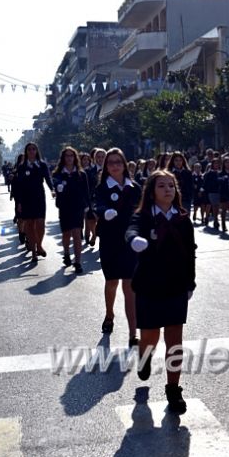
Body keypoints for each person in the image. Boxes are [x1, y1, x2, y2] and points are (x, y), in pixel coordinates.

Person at [126, 170, 196, 414]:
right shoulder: (143, 216)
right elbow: (131, 230)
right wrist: (135, 240)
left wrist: (191, 282)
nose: (168, 190)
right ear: (151, 192)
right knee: (150, 337)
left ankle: (173, 390)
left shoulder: (183, 219)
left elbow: (190, 252)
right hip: (149, 286)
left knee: (174, 340)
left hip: (176, 285)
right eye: (162, 186)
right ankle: (144, 358)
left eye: (171, 186)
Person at [95, 148, 142, 346]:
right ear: (106, 166)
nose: (115, 165)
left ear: (124, 164)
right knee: (112, 282)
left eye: (118, 162)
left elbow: (142, 211)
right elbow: (97, 205)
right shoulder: (102, 187)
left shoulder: (135, 187)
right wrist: (105, 212)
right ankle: (109, 315)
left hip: (130, 242)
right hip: (110, 241)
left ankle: (133, 332)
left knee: (130, 286)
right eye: (111, 162)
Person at [52, 147, 89, 273]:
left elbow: (86, 192)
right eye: (67, 156)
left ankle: (78, 262)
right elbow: (55, 186)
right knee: (66, 233)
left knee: (77, 234)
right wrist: (58, 188)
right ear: (63, 158)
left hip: (78, 207)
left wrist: (87, 206)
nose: (69, 158)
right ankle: (67, 253)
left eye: (71, 156)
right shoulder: (58, 174)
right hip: (64, 207)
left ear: (75, 158)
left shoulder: (81, 174)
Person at [15, 143, 53, 262]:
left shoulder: (42, 165)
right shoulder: (22, 167)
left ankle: (39, 245)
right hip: (26, 199)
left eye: (34, 149)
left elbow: (48, 178)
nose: (31, 151)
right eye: (29, 149)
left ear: (37, 151)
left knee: (40, 223)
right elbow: (19, 185)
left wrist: (52, 189)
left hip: (39, 197)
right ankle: (33, 252)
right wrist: (19, 202)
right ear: (26, 152)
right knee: (30, 225)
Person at [80, 152, 98, 246]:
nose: (86, 161)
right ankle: (85, 233)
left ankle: (91, 235)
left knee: (90, 217)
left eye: (87, 159)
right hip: (81, 197)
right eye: (84, 159)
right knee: (85, 217)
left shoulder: (92, 170)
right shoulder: (78, 171)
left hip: (91, 196)